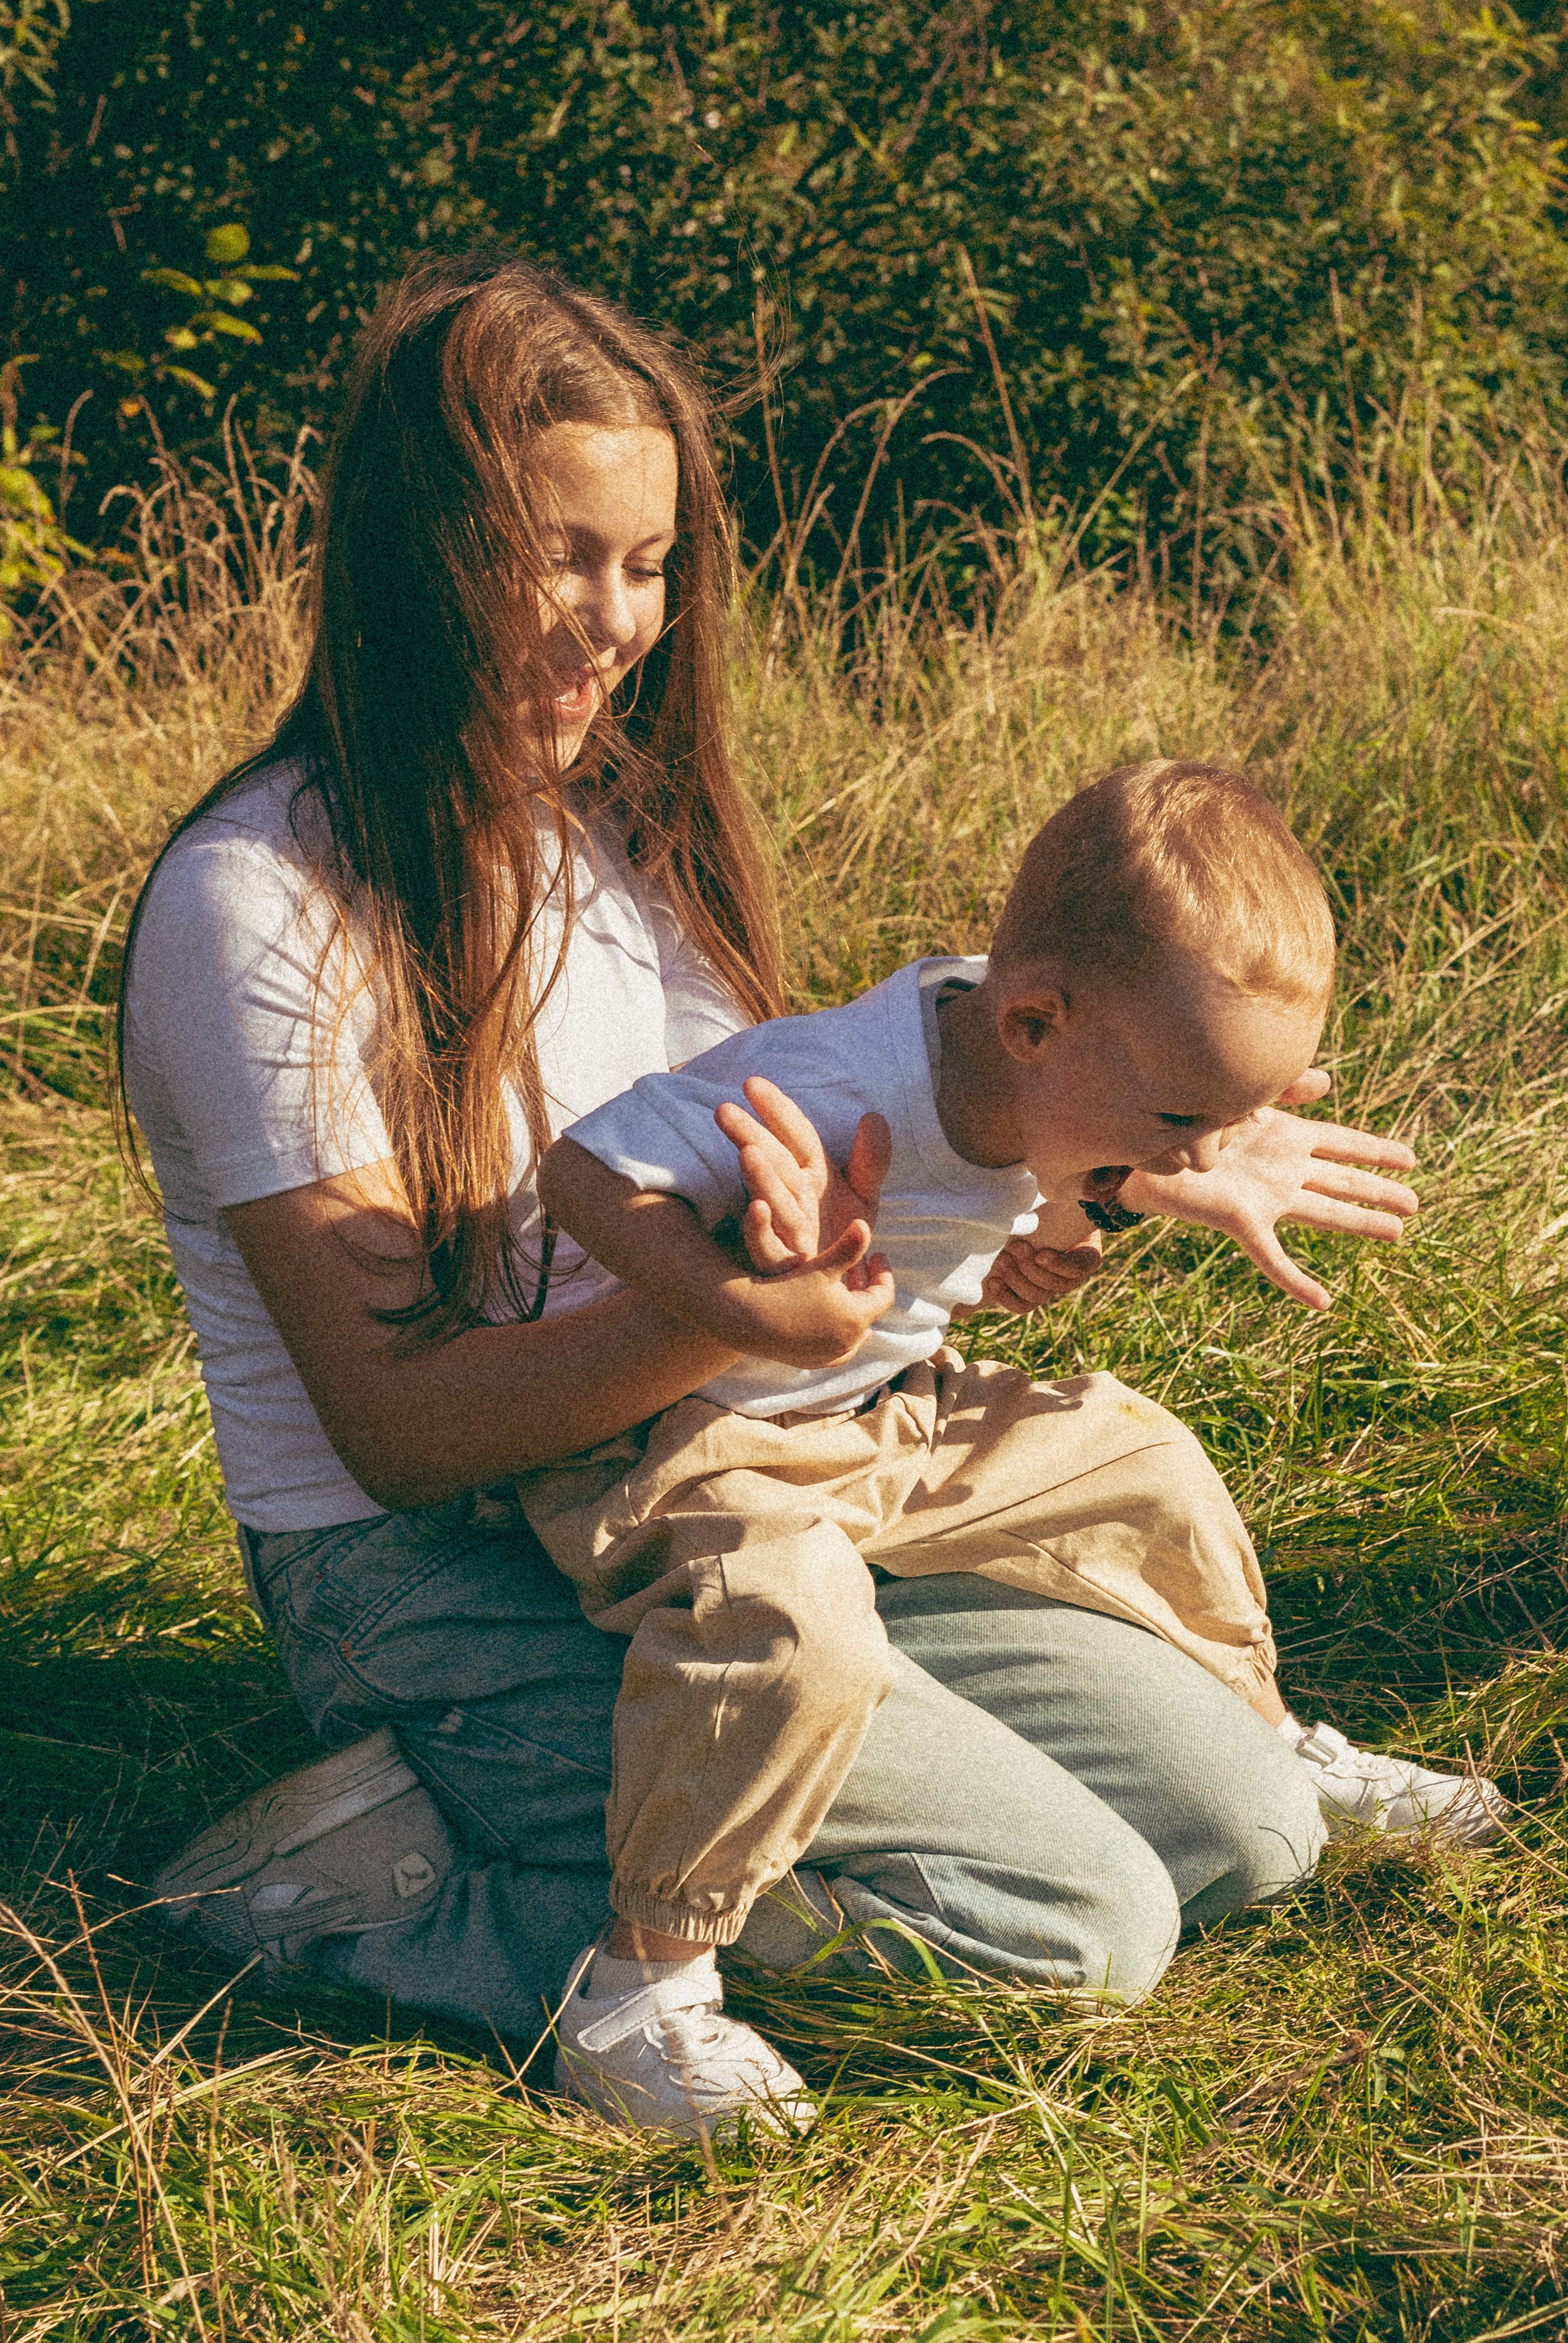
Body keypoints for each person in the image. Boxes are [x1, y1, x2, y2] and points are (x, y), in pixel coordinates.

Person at [120, 251, 1442, 2138]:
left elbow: (834, 1198)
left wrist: (1131, 1169)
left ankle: (695, 1801)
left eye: (647, 564)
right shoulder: (259, 903)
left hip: (738, 1462)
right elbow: (404, 1434)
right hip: (427, 1562)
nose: (614, 621)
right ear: (422, 553)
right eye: (557, 557)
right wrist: (724, 1316)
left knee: (1237, 1817)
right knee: (1072, 1918)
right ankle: (388, 1886)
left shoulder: (624, 838)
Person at [525, 762, 1505, 2128]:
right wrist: (742, 1304)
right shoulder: (835, 1084)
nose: (1209, 1155)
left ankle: (1279, 1741)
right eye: (1186, 1122)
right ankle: (643, 1990)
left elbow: (985, 1201)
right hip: (699, 1443)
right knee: (795, 1632)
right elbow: (582, 1170)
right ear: (1036, 1018)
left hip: (879, 1415)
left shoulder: (1027, 1055)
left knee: (1141, 1461)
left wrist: (1049, 1236)